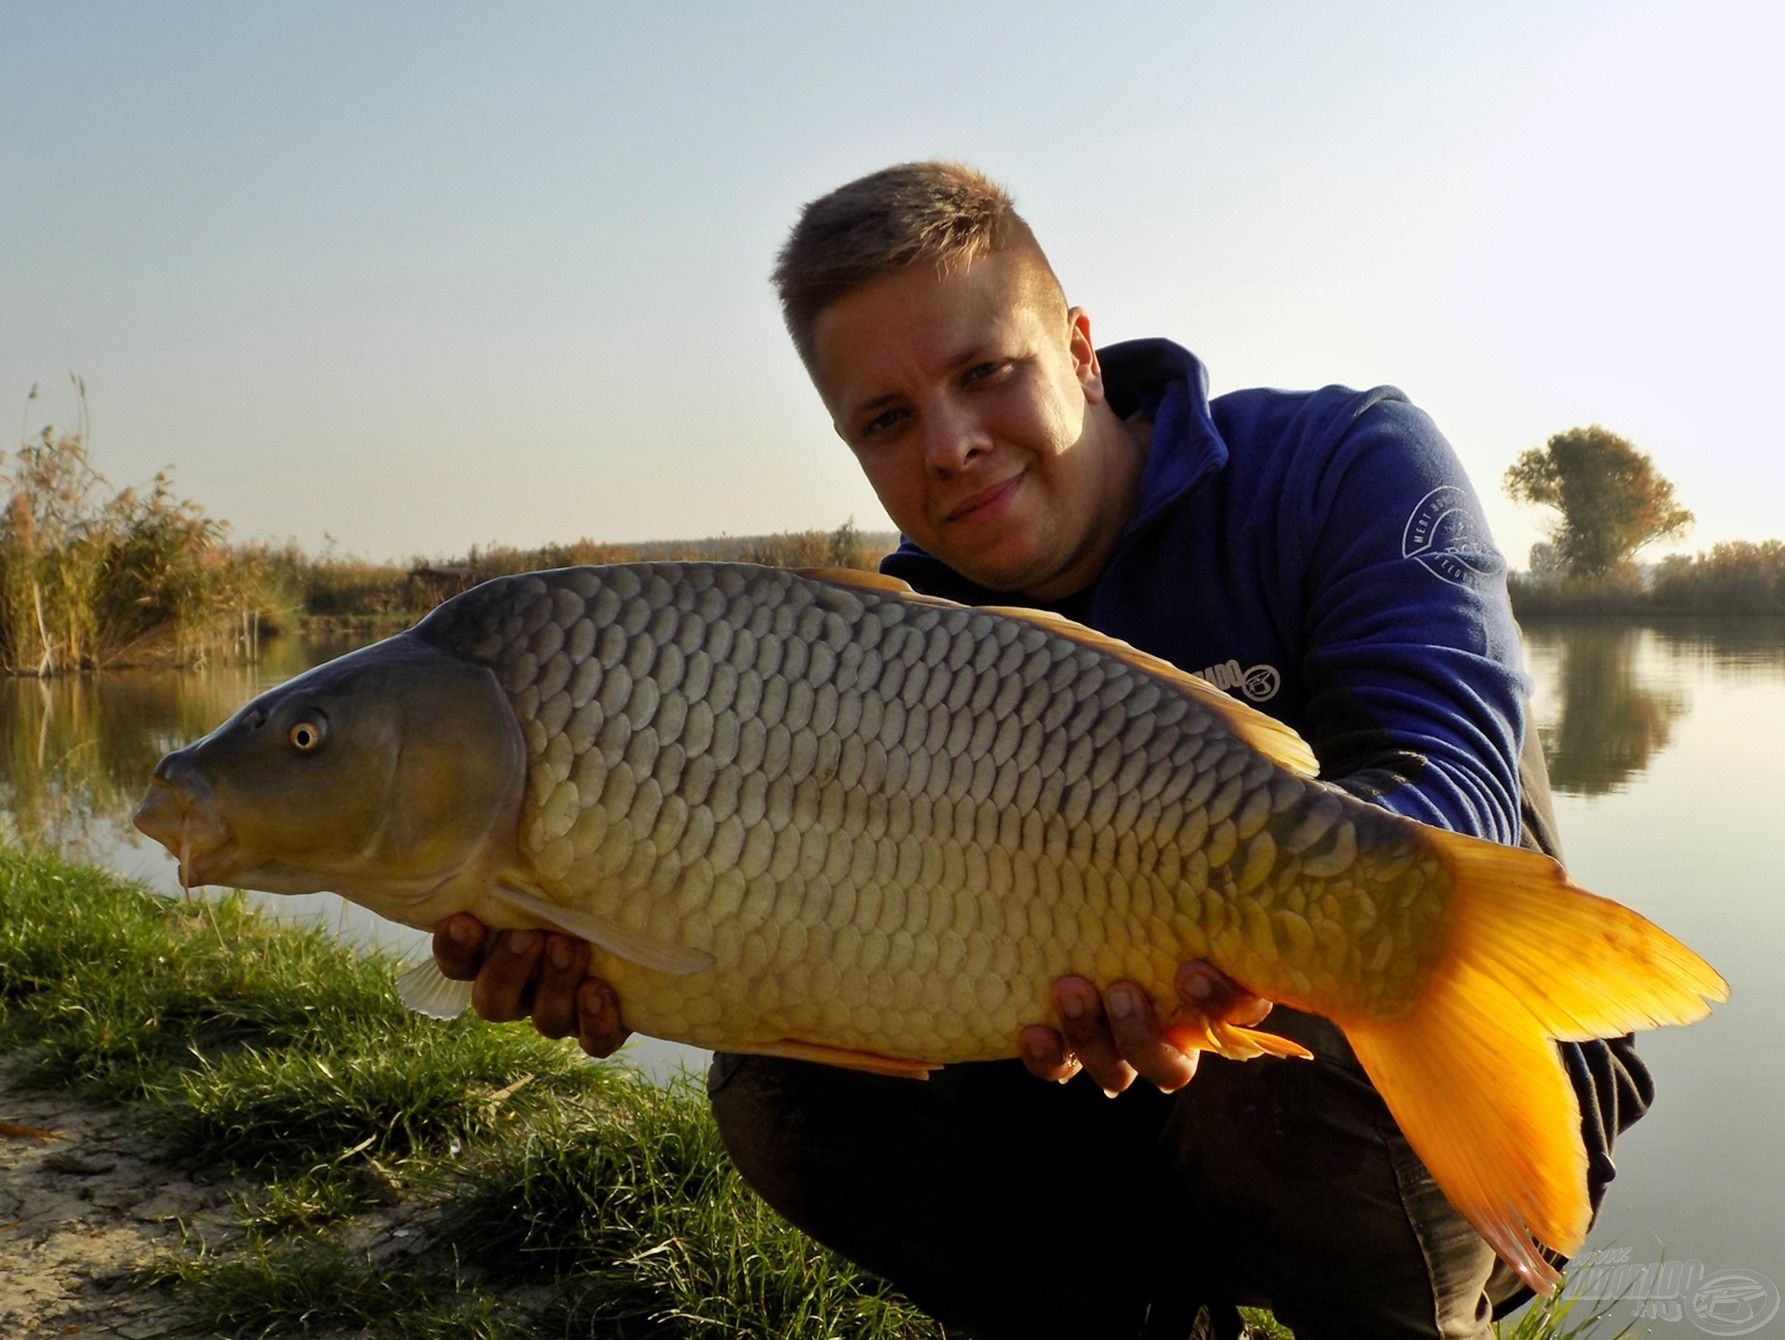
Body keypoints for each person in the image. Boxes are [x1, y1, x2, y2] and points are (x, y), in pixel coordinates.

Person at [431, 162, 1652, 1339]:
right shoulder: (874, 648)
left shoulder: (1343, 463)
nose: (953, 443)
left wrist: (1217, 927)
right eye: (889, 418)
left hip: (1420, 1055)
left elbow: (1463, 785)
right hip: (1067, 1079)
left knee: (1312, 978)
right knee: (780, 1089)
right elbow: (803, 931)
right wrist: (603, 943)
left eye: (987, 371)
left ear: (1079, 347)